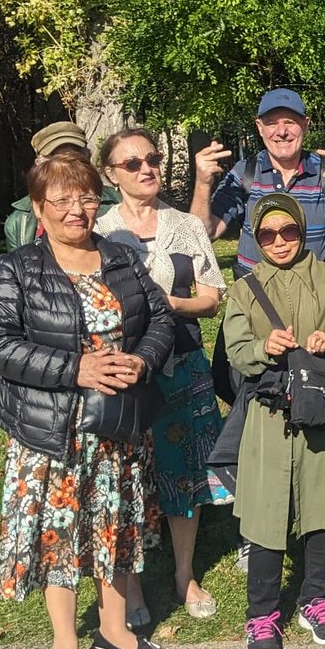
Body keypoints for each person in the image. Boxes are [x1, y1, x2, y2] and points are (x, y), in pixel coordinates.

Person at [0, 153, 175, 649]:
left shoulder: (121, 258)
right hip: (52, 430)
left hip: (118, 426)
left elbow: (159, 318)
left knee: (114, 524)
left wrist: (142, 360)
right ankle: (65, 642)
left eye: (86, 197)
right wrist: (77, 368)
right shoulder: (18, 267)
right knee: (58, 532)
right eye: (61, 200)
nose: (76, 209)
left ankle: (115, 630)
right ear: (39, 209)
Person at [221, 193, 325, 649]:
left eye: (289, 231)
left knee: (322, 509)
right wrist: (265, 345)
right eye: (267, 233)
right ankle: (262, 615)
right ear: (256, 237)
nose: (279, 241)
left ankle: (316, 600)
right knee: (266, 515)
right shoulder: (244, 289)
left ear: (302, 231)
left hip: (322, 414)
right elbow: (235, 350)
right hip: (268, 417)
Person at [95, 128, 230, 623]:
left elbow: (213, 297)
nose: (146, 168)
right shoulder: (101, 232)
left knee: (185, 472)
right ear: (111, 175)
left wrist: (169, 304)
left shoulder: (187, 227)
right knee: (125, 477)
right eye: (132, 164)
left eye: (152, 159)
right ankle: (130, 588)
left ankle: (184, 573)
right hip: (124, 370)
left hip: (183, 361)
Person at [189, 88, 325, 275]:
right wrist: (203, 183)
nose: (281, 131)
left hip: (316, 296)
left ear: (306, 125)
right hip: (258, 298)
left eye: (290, 122)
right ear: (260, 127)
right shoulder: (245, 173)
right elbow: (203, 235)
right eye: (272, 123)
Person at [4, 121, 118, 250]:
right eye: (57, 158)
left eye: (75, 156)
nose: (67, 166)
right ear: (39, 164)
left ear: (89, 156)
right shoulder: (20, 221)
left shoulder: (118, 203)